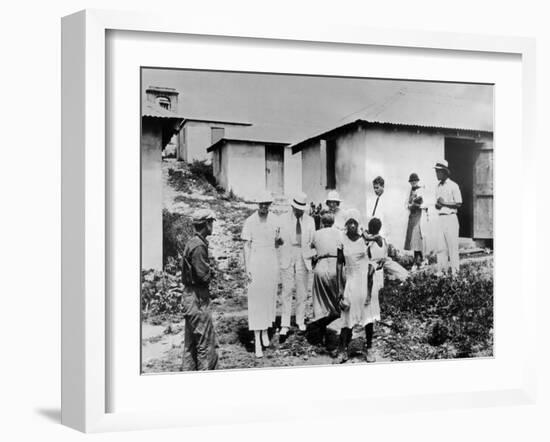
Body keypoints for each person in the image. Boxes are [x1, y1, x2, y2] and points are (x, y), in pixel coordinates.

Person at [337, 209, 381, 363]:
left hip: (365, 282)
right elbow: (338, 264)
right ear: (346, 224)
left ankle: (369, 348)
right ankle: (342, 350)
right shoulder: (341, 239)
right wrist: (340, 289)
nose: (352, 225)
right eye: (349, 222)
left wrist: (369, 293)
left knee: (367, 318)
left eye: (355, 222)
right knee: (347, 318)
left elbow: (371, 265)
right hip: (350, 281)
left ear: (358, 224)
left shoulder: (365, 240)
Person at [241, 191, 279, 358]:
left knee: (268, 298)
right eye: (261, 204)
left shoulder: (275, 220)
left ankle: (264, 331)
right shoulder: (250, 222)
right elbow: (246, 246)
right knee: (256, 300)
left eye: (267, 204)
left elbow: (278, 242)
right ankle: (257, 341)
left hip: (270, 262)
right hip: (256, 262)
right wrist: (247, 267)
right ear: (258, 205)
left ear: (270, 204)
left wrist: (280, 240)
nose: (264, 207)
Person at [181, 209, 218, 371]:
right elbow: (203, 276)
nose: (212, 226)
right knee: (205, 345)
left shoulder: (192, 242)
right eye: (211, 223)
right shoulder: (199, 246)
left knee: (190, 346)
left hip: (189, 296)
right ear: (206, 224)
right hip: (197, 298)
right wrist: (211, 271)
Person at [276, 192, 316, 337]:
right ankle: (285, 324)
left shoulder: (310, 221)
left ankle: (300, 320)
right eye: (296, 208)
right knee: (287, 290)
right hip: (288, 254)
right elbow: (278, 239)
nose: (298, 211)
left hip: (303, 256)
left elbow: (312, 242)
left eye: (301, 209)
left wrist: (310, 256)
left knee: (302, 290)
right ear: (292, 206)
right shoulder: (282, 219)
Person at [308, 211, 343, 351]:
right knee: (338, 303)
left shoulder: (317, 234)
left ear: (322, 222)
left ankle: (322, 332)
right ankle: (335, 333)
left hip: (321, 266)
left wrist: (316, 256)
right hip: (336, 266)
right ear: (333, 222)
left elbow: (310, 248)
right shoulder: (339, 233)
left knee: (321, 303)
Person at [366, 176, 408, 281]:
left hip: (382, 234)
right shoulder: (378, 200)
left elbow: (386, 221)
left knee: (381, 260)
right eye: (374, 188)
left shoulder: (386, 201)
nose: (375, 190)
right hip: (376, 233)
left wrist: (384, 237)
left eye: (377, 188)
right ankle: (402, 276)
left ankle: (404, 276)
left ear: (383, 186)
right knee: (382, 261)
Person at [434, 160, 462, 275]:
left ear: (444, 172)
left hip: (451, 218)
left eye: (438, 171)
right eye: (436, 171)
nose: (436, 174)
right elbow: (438, 204)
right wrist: (438, 205)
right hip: (441, 218)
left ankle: (455, 273)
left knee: (452, 247)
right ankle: (442, 272)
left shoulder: (453, 186)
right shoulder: (438, 187)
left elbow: (459, 203)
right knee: (441, 247)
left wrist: (444, 203)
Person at [404, 173, 426, 270]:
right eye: (411, 181)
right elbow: (405, 204)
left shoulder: (421, 190)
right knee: (412, 238)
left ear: (417, 181)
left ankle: (419, 259)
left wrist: (417, 205)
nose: (413, 183)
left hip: (419, 216)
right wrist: (410, 205)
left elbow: (424, 204)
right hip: (412, 216)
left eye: (415, 181)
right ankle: (418, 258)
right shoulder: (409, 191)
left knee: (417, 237)